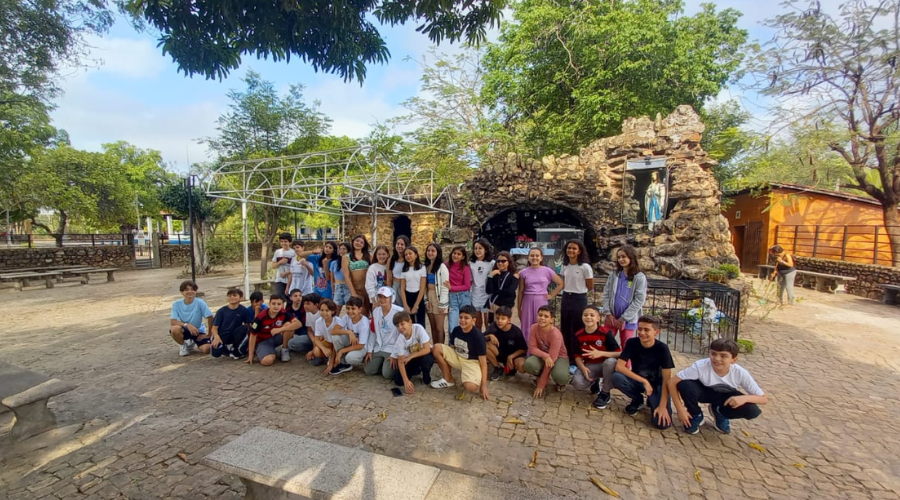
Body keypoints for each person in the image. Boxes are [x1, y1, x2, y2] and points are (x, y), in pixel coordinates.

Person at [669, 339, 767, 435]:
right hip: (704, 392)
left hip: (725, 398)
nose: (717, 358)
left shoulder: (740, 373)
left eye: (723, 356)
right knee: (684, 384)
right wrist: (680, 409)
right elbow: (672, 382)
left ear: (734, 360)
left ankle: (720, 412)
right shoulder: (700, 366)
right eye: (713, 354)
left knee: (752, 410)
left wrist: (744, 398)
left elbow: (763, 399)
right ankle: (695, 414)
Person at [612, 315, 674, 429]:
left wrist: (662, 405)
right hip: (638, 380)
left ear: (656, 332)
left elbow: (667, 379)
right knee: (617, 377)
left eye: (646, 330)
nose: (641, 333)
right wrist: (644, 381)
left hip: (658, 385)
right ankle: (637, 399)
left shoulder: (662, 348)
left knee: (662, 424)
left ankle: (653, 400)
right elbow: (619, 367)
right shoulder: (632, 343)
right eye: (640, 329)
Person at [430, 305, 490, 400]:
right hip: (458, 356)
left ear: (473, 320)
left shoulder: (478, 337)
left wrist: (484, 385)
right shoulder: (456, 330)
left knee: (471, 387)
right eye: (461, 317)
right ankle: (448, 378)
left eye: (466, 318)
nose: (462, 320)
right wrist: (448, 360)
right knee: (436, 347)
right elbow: (452, 347)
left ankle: (469, 376)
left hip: (471, 362)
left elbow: (483, 363)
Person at [571, 305, 621, 410]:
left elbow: (618, 353)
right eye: (585, 315)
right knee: (577, 382)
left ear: (598, 318)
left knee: (610, 362)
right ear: (582, 317)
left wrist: (601, 353)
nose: (588, 317)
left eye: (592, 315)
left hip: (605, 365)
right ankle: (595, 381)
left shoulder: (606, 333)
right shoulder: (579, 335)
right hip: (590, 365)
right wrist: (583, 368)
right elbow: (577, 356)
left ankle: (605, 393)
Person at [600, 245, 647, 350]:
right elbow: (606, 293)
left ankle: (625, 366)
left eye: (624, 257)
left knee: (626, 346)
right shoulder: (614, 275)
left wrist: (623, 318)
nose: (621, 259)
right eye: (619, 257)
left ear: (631, 257)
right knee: (606, 342)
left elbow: (639, 300)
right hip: (611, 317)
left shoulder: (639, 277)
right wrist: (608, 313)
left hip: (629, 319)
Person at [517, 248, 564, 342]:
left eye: (537, 256)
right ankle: (528, 350)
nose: (535, 258)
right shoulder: (523, 272)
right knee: (527, 325)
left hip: (541, 300)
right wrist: (519, 308)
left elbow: (561, 283)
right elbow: (520, 291)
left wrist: (551, 295)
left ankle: (542, 347)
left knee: (542, 323)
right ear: (528, 257)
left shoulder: (547, 271)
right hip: (527, 300)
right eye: (532, 255)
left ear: (541, 258)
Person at [559, 239, 594, 364]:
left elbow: (590, 286)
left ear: (579, 251)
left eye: (574, 248)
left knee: (577, 329)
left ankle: (576, 358)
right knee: (565, 328)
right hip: (566, 298)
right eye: (569, 248)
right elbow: (562, 281)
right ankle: (565, 355)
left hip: (579, 298)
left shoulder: (585, 267)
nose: (571, 250)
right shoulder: (564, 265)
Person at [523, 306, 570, 397]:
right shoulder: (534, 328)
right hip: (544, 355)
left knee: (561, 376)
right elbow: (532, 348)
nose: (542, 318)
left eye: (546, 316)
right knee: (529, 364)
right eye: (540, 315)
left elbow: (550, 362)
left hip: (559, 357)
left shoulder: (556, 335)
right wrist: (545, 356)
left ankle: (559, 383)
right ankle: (540, 375)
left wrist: (541, 385)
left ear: (552, 320)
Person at [247, 294, 301, 366]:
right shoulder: (260, 317)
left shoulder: (283, 313)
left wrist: (280, 329)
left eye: (279, 304)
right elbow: (252, 335)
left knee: (289, 325)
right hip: (262, 341)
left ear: (282, 305)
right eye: (273, 304)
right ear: (269, 304)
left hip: (275, 337)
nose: (276, 306)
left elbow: (298, 324)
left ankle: (284, 350)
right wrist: (250, 356)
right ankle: (268, 352)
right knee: (267, 361)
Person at [391, 311, 435, 394]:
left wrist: (410, 356)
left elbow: (427, 349)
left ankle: (426, 374)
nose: (400, 327)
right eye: (397, 326)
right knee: (398, 381)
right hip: (410, 359)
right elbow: (400, 361)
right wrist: (406, 381)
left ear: (410, 322)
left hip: (422, 354)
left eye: (402, 324)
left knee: (427, 360)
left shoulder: (418, 328)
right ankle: (416, 370)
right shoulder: (400, 339)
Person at [365, 287, 404, 379]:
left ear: (391, 298)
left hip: (393, 348)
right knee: (368, 370)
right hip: (380, 347)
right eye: (380, 297)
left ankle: (394, 366)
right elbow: (373, 332)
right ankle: (383, 364)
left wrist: (395, 354)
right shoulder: (375, 311)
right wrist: (370, 350)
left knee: (387, 374)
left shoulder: (399, 312)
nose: (382, 300)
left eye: (385, 297)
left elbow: (402, 336)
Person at [326, 296, 370, 375]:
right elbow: (333, 331)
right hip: (351, 343)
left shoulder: (364, 323)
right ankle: (342, 362)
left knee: (350, 358)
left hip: (362, 347)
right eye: (348, 308)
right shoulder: (347, 317)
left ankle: (357, 359)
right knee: (335, 337)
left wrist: (341, 351)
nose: (350, 311)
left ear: (360, 309)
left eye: (353, 309)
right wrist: (349, 332)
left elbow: (360, 345)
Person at [169, 280, 213, 356]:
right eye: (186, 290)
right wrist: (187, 325)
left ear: (195, 291)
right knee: (174, 329)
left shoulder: (200, 302)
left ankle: (193, 341)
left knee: (207, 349)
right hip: (185, 329)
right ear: (182, 292)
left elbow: (210, 316)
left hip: (198, 330)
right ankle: (183, 345)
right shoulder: (176, 304)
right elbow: (173, 321)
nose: (190, 292)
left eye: (192, 289)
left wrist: (209, 334)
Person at [483, 306, 527, 381]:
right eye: (497, 318)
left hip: (513, 357)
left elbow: (524, 349)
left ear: (509, 320)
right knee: (484, 345)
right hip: (499, 353)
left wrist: (511, 356)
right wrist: (489, 336)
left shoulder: (516, 331)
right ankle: (497, 367)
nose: (499, 321)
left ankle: (511, 369)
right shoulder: (493, 326)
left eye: (503, 318)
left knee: (522, 367)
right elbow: (479, 338)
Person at [210, 288, 253, 359]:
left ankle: (236, 348)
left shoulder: (243, 310)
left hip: (234, 334)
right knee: (216, 353)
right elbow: (214, 328)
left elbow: (248, 324)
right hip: (221, 335)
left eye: (234, 295)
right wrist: (216, 337)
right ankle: (224, 348)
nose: (232, 297)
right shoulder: (221, 311)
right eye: (229, 296)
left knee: (244, 328)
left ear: (241, 298)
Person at [424, 243, 450, 345]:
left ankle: (441, 348)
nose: (430, 253)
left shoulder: (442, 267)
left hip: (438, 297)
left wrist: (442, 304)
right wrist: (426, 300)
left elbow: (444, 287)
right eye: (428, 251)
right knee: (433, 326)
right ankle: (435, 347)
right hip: (429, 296)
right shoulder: (425, 266)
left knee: (439, 327)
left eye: (433, 251)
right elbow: (423, 286)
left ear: (438, 253)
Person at [343, 234, 372, 316]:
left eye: (361, 242)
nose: (358, 243)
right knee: (358, 312)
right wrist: (353, 292)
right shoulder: (346, 257)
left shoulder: (369, 256)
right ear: (353, 242)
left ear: (364, 245)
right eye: (357, 241)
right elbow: (346, 276)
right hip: (356, 288)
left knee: (368, 311)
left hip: (368, 288)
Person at [445, 246, 472, 333]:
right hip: (452, 298)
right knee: (452, 325)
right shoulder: (446, 266)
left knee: (466, 323)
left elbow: (467, 286)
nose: (456, 256)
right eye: (454, 253)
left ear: (463, 257)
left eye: (459, 254)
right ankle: (452, 345)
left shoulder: (465, 268)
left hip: (464, 296)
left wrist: (452, 287)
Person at [469, 238, 495, 329]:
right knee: (477, 323)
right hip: (475, 295)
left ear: (486, 249)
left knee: (488, 322)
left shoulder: (492, 263)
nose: (477, 251)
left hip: (487, 295)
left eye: (480, 248)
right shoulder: (471, 263)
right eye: (475, 248)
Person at [399, 245, 427, 327]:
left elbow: (422, 287)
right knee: (410, 323)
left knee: (421, 324)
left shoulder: (422, 268)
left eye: (410, 253)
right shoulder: (404, 270)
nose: (408, 256)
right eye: (406, 254)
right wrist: (405, 305)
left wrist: (416, 305)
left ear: (416, 255)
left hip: (418, 296)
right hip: (408, 296)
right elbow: (402, 288)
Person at [271, 232, 295, 299]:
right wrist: (280, 262)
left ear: (290, 242)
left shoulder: (293, 253)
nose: (283, 243)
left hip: (291, 280)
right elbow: (273, 266)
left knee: (290, 300)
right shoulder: (277, 252)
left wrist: (286, 273)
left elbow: (296, 267)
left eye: (285, 241)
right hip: (279, 279)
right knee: (279, 298)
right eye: (281, 241)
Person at [387, 235, 410, 307]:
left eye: (402, 244)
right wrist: (389, 292)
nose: (399, 246)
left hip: (407, 287)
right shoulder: (391, 260)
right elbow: (389, 277)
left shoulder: (409, 259)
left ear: (406, 246)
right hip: (395, 287)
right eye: (398, 244)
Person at [331, 242, 352, 316]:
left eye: (344, 249)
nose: (342, 251)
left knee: (350, 310)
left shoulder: (351, 262)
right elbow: (332, 278)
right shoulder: (334, 263)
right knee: (336, 311)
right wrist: (333, 289)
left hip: (347, 286)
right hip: (338, 287)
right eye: (340, 249)